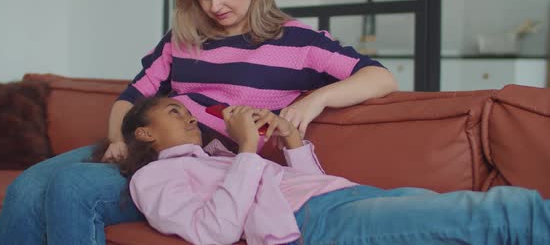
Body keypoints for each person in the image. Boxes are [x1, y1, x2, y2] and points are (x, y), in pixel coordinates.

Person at [0, 0, 397, 244]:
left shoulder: (298, 42)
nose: (214, 6)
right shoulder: (182, 41)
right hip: (147, 150)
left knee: (73, 186)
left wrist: (316, 101)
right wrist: (117, 139)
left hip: (195, 172)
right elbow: (129, 99)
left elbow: (380, 76)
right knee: (26, 187)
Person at [122, 95, 550, 245]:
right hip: (318, 220)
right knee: (498, 215)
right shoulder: (153, 178)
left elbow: (303, 181)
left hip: (344, 195)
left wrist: (291, 141)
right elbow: (212, 232)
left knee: (469, 218)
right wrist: (249, 148)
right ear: (144, 133)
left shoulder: (216, 158)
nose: (190, 117)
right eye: (175, 112)